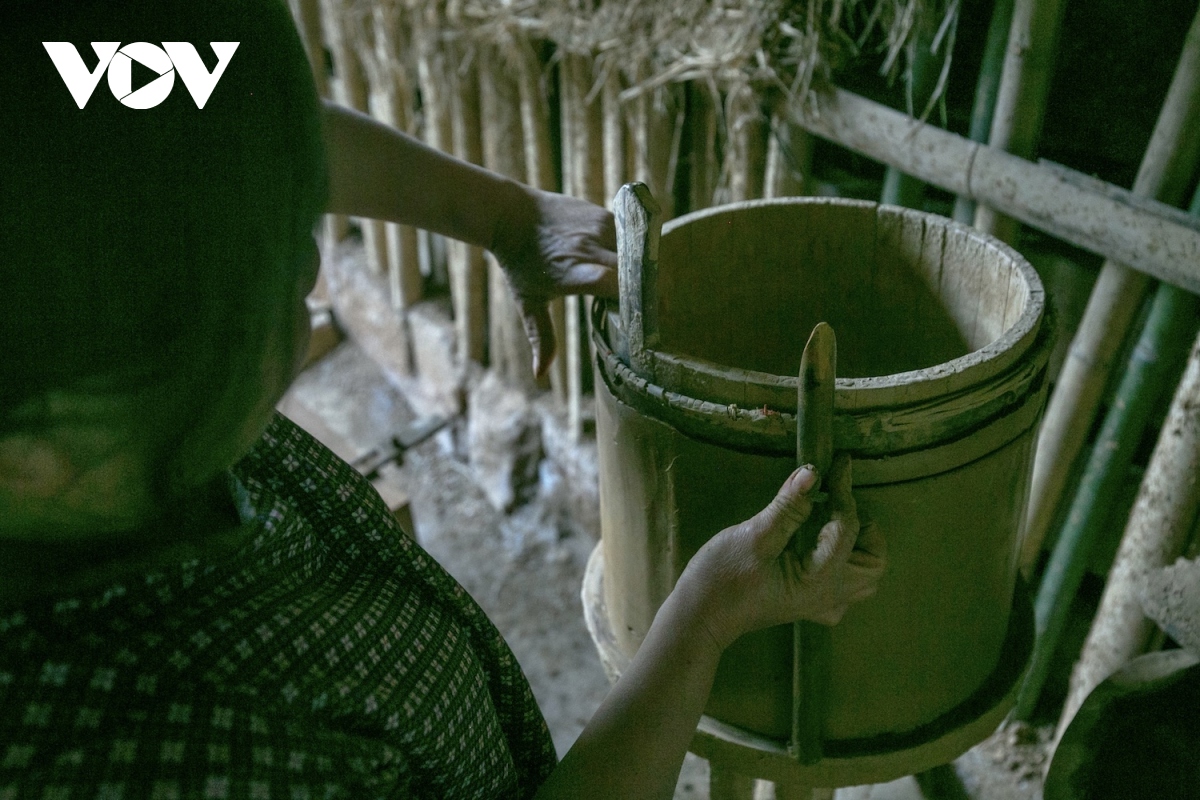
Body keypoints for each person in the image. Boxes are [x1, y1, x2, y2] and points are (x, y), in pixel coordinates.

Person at [0, 1, 887, 797]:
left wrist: (506, 216)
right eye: (244, 291)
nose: (309, 268)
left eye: (295, 213)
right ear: (27, 454)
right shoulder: (161, 757)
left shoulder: (39, 96)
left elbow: (227, 115)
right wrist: (701, 617)